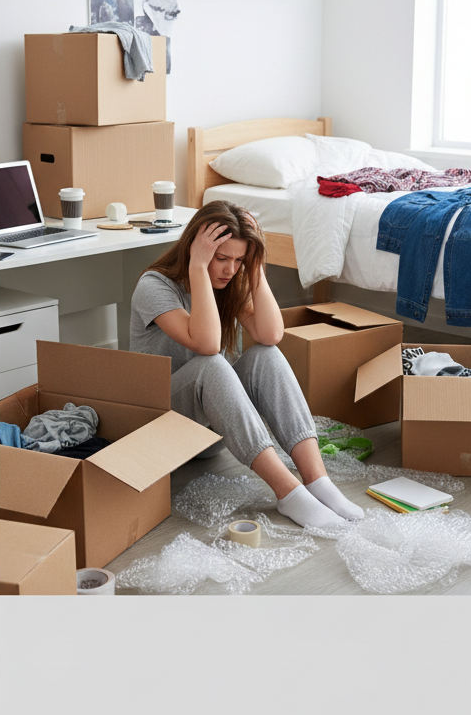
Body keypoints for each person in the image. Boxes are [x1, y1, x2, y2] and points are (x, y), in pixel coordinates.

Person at [129, 200, 364, 530]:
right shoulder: (153, 286)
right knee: (211, 363)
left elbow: (271, 334)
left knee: (265, 355)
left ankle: (317, 481)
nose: (229, 269)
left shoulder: (231, 281)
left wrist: (254, 269)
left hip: (210, 435)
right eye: (221, 258)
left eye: (238, 260)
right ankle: (289, 494)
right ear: (195, 248)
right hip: (162, 429)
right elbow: (207, 345)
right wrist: (198, 268)